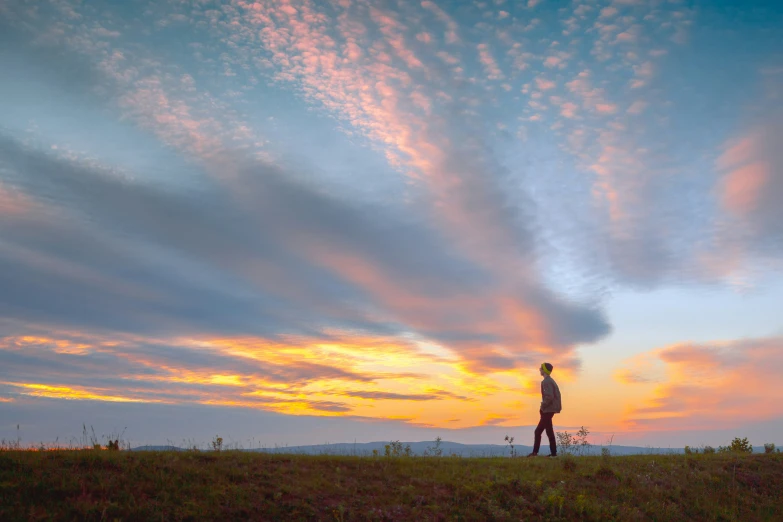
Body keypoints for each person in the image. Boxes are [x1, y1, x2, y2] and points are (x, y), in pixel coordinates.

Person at [527, 362, 561, 457]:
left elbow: (549, 396)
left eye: (541, 368)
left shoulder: (546, 382)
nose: (539, 369)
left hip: (548, 410)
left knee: (538, 431)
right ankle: (553, 454)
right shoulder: (550, 380)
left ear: (544, 370)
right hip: (550, 409)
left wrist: (542, 406)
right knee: (549, 431)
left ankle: (535, 453)